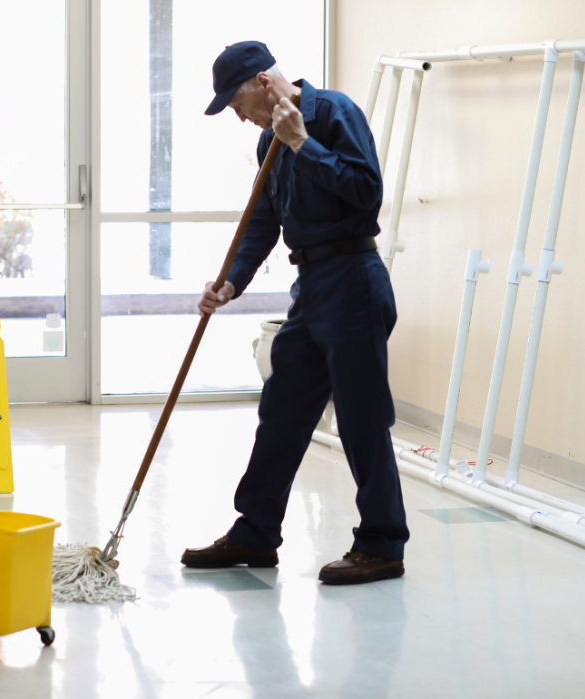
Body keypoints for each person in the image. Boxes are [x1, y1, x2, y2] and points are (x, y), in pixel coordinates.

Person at [181, 41, 409, 585]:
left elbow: (366, 193)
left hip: (353, 278)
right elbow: (262, 220)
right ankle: (255, 532)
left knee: (361, 418)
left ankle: (382, 544)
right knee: (281, 408)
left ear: (263, 83)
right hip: (311, 288)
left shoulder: (333, 113)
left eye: (236, 103)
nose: (238, 117)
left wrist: (303, 144)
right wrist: (230, 281)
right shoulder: (268, 140)